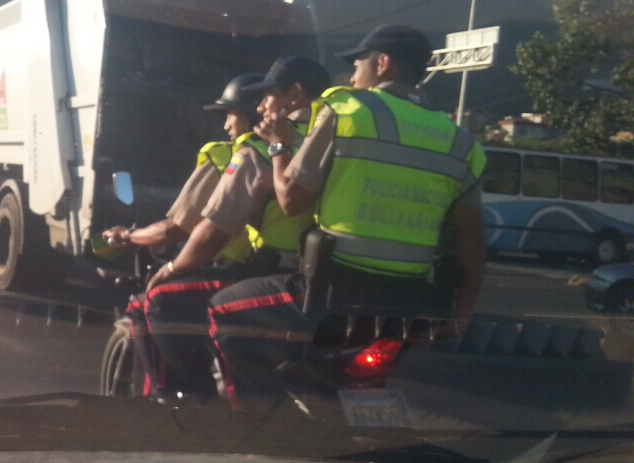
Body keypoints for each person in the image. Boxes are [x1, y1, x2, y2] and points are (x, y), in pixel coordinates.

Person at [206, 24, 487, 407]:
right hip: (407, 304)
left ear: (383, 64)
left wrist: (277, 147)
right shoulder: (460, 142)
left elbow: (290, 200)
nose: (352, 75)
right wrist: (463, 316)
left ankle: (258, 421)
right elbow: (473, 244)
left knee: (223, 309)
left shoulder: (347, 111)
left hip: (332, 295)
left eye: (357, 63)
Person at [129, 56, 329, 400]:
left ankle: (198, 406)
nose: (262, 106)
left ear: (294, 95)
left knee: (160, 300)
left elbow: (213, 231)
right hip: (337, 280)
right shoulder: (339, 144)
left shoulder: (261, 151)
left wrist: (172, 268)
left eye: (268, 96)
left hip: (274, 276)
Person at [101, 73, 264, 400]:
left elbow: (173, 229)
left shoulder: (227, 157)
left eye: (229, 115)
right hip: (273, 272)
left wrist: (129, 236)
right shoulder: (292, 150)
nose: (226, 126)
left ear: (247, 116)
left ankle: (182, 400)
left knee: (149, 304)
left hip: (233, 269)